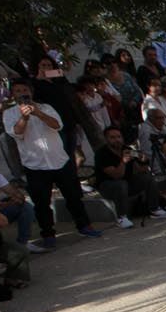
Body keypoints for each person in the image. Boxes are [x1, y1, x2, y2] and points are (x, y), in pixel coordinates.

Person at [6, 79, 100, 245]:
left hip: (59, 160)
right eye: (18, 91)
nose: (22, 93)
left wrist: (38, 114)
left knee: (73, 196)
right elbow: (16, 132)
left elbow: (57, 125)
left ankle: (85, 225)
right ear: (13, 95)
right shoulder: (9, 114)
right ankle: (48, 234)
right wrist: (25, 117)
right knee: (41, 202)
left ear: (31, 92)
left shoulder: (46, 108)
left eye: (24, 89)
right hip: (35, 164)